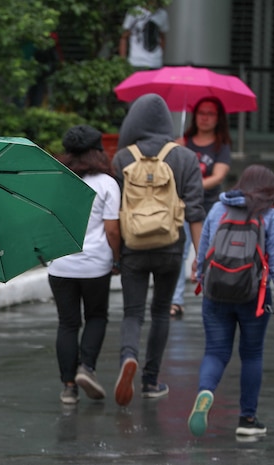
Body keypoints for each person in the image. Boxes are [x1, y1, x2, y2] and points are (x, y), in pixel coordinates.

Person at [112, 94, 205, 406]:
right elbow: (195, 211)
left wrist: (116, 254)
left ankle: (128, 357)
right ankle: (151, 381)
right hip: (171, 248)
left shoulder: (122, 158)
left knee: (133, 313)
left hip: (133, 248)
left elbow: (114, 213)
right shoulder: (186, 158)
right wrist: (199, 259)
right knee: (161, 312)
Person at [187, 165, 274, 439]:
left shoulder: (218, 209)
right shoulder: (271, 216)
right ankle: (247, 419)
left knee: (216, 352)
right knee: (251, 354)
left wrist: (205, 283)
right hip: (254, 297)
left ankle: (205, 391)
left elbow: (204, 253)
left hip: (215, 293)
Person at [47, 125, 122, 405]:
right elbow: (112, 230)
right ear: (97, 151)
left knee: (67, 323)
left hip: (60, 265)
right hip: (95, 266)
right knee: (96, 317)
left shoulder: (57, 179)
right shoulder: (107, 183)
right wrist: (117, 259)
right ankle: (86, 368)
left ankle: (68, 387)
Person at [171, 96, 232, 318]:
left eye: (211, 113)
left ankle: (214, 296)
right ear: (194, 115)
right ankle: (176, 301)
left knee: (210, 253)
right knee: (180, 252)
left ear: (218, 119)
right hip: (183, 207)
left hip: (209, 208)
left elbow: (218, 176)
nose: (205, 118)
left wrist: (192, 187)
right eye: (201, 113)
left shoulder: (221, 145)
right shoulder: (182, 143)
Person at [119, 2, 169, 70]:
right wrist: (123, 61)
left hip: (155, 63)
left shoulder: (162, 14)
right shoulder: (134, 12)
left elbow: (162, 37)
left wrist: (159, 55)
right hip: (137, 62)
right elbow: (124, 37)